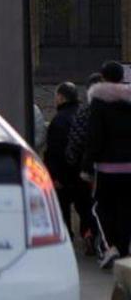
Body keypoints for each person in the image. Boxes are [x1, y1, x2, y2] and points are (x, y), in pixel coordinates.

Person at [82, 60, 131, 269]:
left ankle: (111, 245)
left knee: (102, 208)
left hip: (106, 168)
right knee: (126, 208)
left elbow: (95, 137)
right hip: (129, 167)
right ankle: (123, 248)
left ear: (102, 77)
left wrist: (86, 165)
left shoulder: (99, 102)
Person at [44, 82, 94, 250]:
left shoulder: (58, 120)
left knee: (62, 207)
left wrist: (55, 175)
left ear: (61, 97)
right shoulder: (83, 114)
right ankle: (88, 234)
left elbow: (55, 151)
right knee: (85, 207)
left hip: (64, 173)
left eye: (56, 96)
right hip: (83, 171)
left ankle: (66, 239)